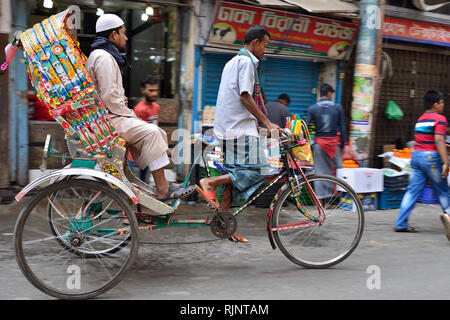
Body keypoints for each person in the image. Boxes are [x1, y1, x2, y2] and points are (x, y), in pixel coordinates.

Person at [86, 14, 193, 202]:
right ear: (113, 34)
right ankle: (162, 189)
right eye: (123, 33)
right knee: (151, 132)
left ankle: (162, 185)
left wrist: (122, 102)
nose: (126, 38)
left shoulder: (101, 55)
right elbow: (110, 98)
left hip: (107, 116)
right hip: (108, 120)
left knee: (156, 132)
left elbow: (108, 94)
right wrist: (130, 114)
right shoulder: (104, 57)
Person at [195, 26, 282, 243]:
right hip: (238, 129)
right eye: (265, 45)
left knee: (233, 181)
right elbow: (245, 96)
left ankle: (225, 226)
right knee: (262, 168)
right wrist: (267, 122)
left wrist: (259, 125)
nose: (265, 50)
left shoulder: (232, 62)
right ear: (254, 42)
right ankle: (209, 183)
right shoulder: (247, 63)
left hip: (229, 128)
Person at [394, 90, 450, 238]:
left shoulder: (421, 119)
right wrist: (445, 161)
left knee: (412, 191)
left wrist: (444, 146)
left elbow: (427, 140)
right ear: (436, 104)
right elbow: (437, 140)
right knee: (443, 191)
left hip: (416, 156)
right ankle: (449, 217)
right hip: (431, 158)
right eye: (442, 102)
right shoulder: (440, 119)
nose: (443, 105)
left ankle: (400, 223)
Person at [306, 83, 346, 199]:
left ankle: (322, 199)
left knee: (320, 171)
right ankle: (338, 197)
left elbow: (306, 127)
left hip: (319, 144)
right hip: (334, 144)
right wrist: (342, 145)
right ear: (329, 94)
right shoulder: (338, 107)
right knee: (338, 169)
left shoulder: (312, 108)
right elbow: (342, 128)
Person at [128, 75, 162, 182]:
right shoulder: (139, 109)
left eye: (156, 90)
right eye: (150, 90)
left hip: (148, 156)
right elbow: (135, 135)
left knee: (145, 184)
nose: (154, 93)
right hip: (136, 158)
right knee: (136, 189)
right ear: (143, 90)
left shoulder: (156, 107)